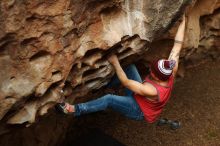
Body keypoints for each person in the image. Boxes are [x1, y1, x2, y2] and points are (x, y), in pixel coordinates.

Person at [56, 15, 186, 123]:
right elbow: (177, 45)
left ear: (157, 77)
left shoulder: (151, 90)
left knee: (109, 99)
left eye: (153, 71)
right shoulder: (171, 70)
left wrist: (115, 62)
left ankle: (73, 109)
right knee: (130, 67)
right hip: (141, 97)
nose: (150, 71)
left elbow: (126, 82)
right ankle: (109, 86)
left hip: (138, 110)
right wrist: (184, 19)